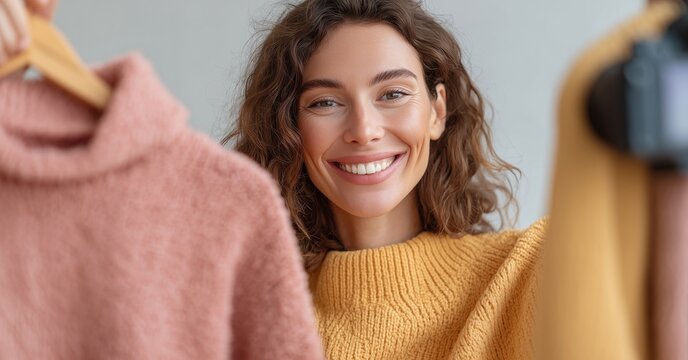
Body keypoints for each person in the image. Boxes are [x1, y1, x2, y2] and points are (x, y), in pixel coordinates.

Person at [0, 0, 546, 359]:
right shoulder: (239, 305)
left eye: (394, 93)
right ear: (290, 128)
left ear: (437, 110)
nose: (364, 129)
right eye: (326, 102)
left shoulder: (526, 273)